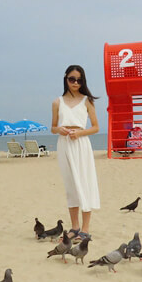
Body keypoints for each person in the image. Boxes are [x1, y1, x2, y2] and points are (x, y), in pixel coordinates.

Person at [51, 65, 101, 241]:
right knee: (70, 185)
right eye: (72, 79)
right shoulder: (57, 102)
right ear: (66, 78)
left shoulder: (87, 101)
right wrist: (60, 130)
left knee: (85, 183)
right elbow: (52, 127)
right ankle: (74, 227)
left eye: (79, 80)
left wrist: (79, 133)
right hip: (64, 144)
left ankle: (85, 229)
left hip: (81, 144)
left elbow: (96, 127)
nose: (75, 83)